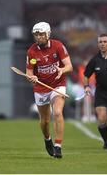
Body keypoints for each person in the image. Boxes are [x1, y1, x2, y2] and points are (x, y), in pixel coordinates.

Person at [25, 22, 73, 158]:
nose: (38, 37)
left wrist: (62, 70)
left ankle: (58, 146)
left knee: (57, 113)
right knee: (45, 121)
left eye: (41, 34)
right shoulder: (32, 51)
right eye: (36, 35)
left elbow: (69, 66)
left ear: (48, 34)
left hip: (58, 84)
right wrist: (32, 77)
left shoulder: (58, 46)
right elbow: (29, 72)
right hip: (40, 87)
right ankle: (47, 140)